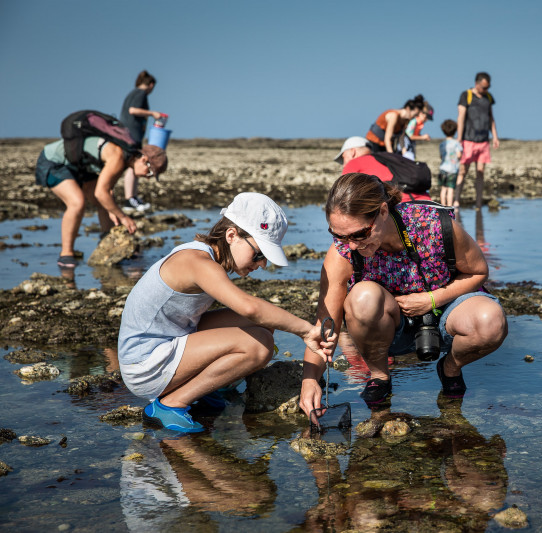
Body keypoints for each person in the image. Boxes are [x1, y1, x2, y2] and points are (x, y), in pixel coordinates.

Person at [117, 193, 334, 432]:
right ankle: (169, 404)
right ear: (231, 235)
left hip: (169, 340)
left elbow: (256, 313)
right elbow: (249, 307)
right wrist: (306, 331)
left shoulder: (205, 256)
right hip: (144, 366)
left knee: (264, 326)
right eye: (259, 254)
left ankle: (209, 387)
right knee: (259, 345)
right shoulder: (197, 263)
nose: (262, 264)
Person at [298, 173, 507, 420]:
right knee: (362, 297)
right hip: (390, 327)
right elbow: (326, 325)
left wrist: (431, 300)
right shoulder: (343, 252)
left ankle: (450, 368)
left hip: (448, 313)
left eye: (359, 234)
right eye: (339, 235)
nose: (351, 245)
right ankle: (379, 376)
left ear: (383, 212)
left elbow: (479, 272)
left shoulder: (434, 225)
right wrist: (310, 380)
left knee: (490, 321)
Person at [34, 132, 167, 268]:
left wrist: (112, 209)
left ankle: (106, 242)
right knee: (77, 203)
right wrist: (123, 217)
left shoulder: (124, 158)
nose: (148, 177)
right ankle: (66, 255)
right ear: (144, 159)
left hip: (81, 166)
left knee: (106, 202)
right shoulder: (118, 156)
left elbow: (107, 193)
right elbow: (100, 193)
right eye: (150, 172)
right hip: (54, 161)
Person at [119, 70, 166, 213]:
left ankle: (133, 197)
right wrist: (152, 113)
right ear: (151, 85)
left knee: (134, 165)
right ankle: (129, 199)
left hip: (130, 134)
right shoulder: (140, 94)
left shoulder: (134, 93)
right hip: (131, 135)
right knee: (133, 165)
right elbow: (133, 110)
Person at [334, 136, 431, 202]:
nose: (343, 165)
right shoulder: (388, 157)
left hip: (400, 210)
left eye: (343, 157)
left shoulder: (354, 163)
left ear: (352, 152)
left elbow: (342, 196)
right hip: (427, 205)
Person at [455, 72, 499, 210]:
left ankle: (478, 203)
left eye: (488, 87)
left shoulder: (488, 98)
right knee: (463, 171)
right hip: (468, 140)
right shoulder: (466, 96)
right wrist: (459, 139)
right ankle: (456, 201)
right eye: (484, 87)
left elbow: (491, 117)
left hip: (483, 141)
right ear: (477, 84)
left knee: (480, 172)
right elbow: (461, 118)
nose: (486, 90)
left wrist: (495, 136)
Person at [438, 119, 461, 206]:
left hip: (443, 168)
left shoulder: (442, 144)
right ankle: (449, 207)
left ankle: (443, 206)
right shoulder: (456, 143)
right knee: (450, 189)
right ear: (455, 131)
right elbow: (459, 155)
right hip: (452, 170)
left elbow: (441, 156)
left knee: (443, 189)